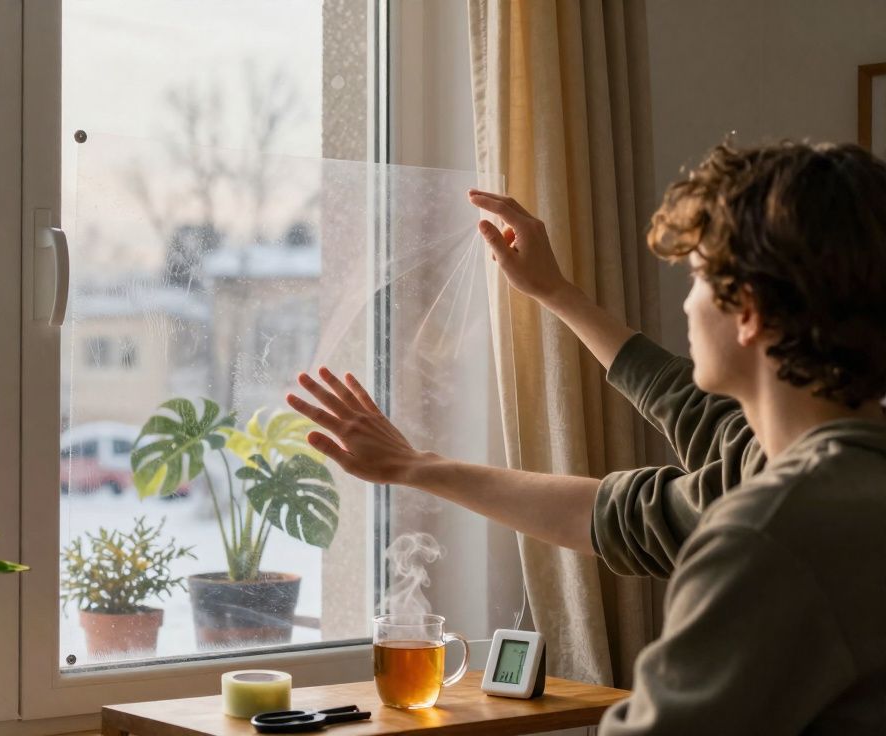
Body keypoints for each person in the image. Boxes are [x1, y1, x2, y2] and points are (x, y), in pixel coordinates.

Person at [287, 140, 886, 734]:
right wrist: (556, 294)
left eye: (699, 276)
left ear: (748, 310)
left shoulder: (771, 534)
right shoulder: (833, 474)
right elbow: (672, 451)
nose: (685, 301)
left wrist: (415, 466)